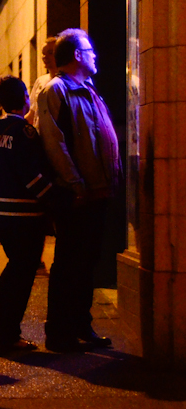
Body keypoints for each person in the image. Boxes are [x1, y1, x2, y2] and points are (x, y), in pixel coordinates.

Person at [38, 28, 121, 353]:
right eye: (89, 50)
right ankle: (60, 333)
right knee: (69, 264)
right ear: (76, 56)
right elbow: (54, 143)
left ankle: (80, 325)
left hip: (97, 193)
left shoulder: (87, 89)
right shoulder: (56, 91)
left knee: (87, 262)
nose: (95, 55)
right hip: (77, 196)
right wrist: (75, 184)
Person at [0, 76, 53, 351]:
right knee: (22, 271)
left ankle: (1, 324)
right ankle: (6, 329)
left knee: (16, 267)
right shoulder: (25, 132)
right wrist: (54, 199)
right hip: (21, 214)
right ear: (25, 97)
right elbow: (32, 176)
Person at [26, 37, 57, 130]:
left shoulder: (65, 82)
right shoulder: (40, 81)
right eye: (43, 54)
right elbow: (32, 114)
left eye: (50, 53)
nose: (45, 57)